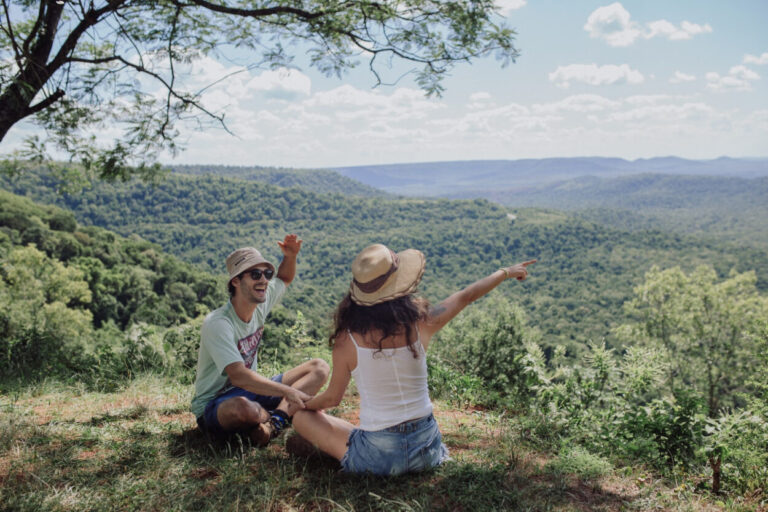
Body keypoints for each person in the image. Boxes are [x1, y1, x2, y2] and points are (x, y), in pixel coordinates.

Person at [290, 243, 536, 475]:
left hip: (378, 457)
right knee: (359, 431)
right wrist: (505, 272)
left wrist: (304, 405)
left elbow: (332, 398)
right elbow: (466, 296)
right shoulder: (422, 321)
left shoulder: (347, 340)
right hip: (426, 450)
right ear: (399, 285)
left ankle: (330, 453)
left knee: (303, 419)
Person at [190, 234, 329, 446]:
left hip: (252, 391)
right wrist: (289, 392)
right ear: (236, 281)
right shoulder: (218, 323)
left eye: (266, 273)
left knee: (319, 368)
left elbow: (284, 278)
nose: (264, 280)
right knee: (243, 409)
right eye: (255, 274)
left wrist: (290, 256)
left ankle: (275, 422)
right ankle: (279, 414)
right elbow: (238, 376)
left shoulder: (259, 303)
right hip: (217, 404)